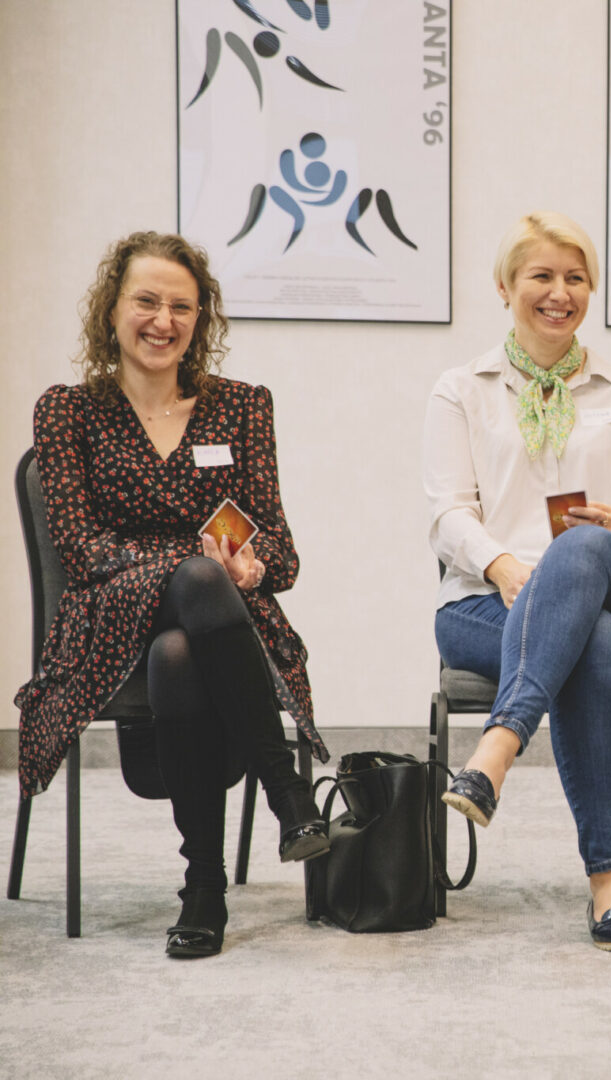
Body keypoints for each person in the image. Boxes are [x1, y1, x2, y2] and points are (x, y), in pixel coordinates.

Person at [15, 231, 329, 959]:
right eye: (146, 301)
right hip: (106, 614)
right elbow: (82, 550)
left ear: (200, 318)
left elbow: (281, 553)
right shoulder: (67, 411)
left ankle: (204, 889)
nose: (163, 321)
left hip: (215, 619)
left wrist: (250, 569)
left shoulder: (242, 407)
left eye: (181, 307)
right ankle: (287, 792)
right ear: (112, 310)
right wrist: (192, 562)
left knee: (179, 651)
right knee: (195, 576)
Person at [426, 211, 611, 953]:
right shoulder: (462, 389)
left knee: (583, 551)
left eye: (575, 278)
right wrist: (503, 565)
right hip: (486, 603)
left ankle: (496, 750)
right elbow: (447, 513)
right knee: (590, 640)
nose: (559, 293)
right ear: (505, 286)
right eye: (541, 275)